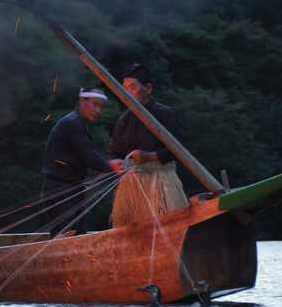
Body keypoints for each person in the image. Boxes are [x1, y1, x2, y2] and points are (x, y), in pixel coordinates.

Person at [107, 63, 188, 227]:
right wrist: (114, 162)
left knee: (167, 226)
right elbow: (113, 153)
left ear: (148, 88)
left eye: (132, 87)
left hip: (161, 180)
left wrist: (150, 156)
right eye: (125, 88)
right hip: (133, 185)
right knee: (129, 230)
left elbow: (179, 149)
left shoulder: (165, 113)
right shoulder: (123, 121)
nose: (127, 93)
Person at [41, 88, 123, 236]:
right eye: (95, 105)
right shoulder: (73, 123)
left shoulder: (77, 123)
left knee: (75, 236)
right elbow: (89, 156)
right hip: (61, 192)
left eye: (101, 106)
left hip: (69, 190)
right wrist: (111, 166)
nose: (98, 111)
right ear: (82, 103)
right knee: (66, 240)